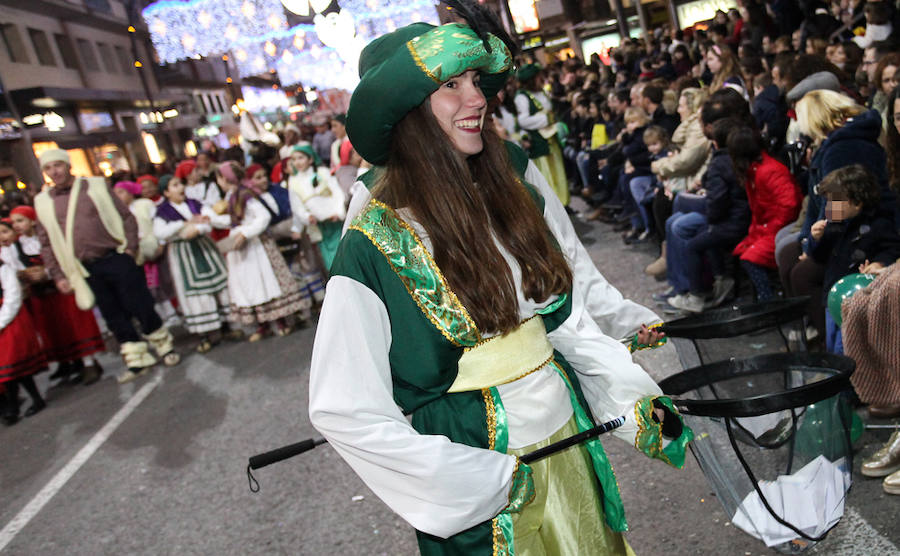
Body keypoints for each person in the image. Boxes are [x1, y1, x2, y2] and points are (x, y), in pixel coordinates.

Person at [309, 20, 692, 556]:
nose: (477, 97)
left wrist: (625, 332)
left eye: (475, 79)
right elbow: (343, 404)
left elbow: (571, 275)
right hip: (481, 460)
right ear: (408, 114)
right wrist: (461, 474)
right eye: (451, 85)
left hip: (566, 431)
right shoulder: (375, 237)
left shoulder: (509, 174)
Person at [33, 149, 180, 384]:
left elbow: (126, 217)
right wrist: (59, 274)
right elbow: (46, 242)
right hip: (83, 268)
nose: (54, 172)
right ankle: (137, 358)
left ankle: (164, 347)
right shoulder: (42, 202)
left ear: (68, 166)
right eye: (48, 168)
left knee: (140, 304)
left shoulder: (95, 186)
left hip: (116, 257)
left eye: (57, 165)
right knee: (113, 315)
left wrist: (130, 249)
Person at [8, 205, 106, 385]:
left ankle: (89, 363)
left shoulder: (48, 238)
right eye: (14, 222)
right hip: (41, 294)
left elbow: (63, 258)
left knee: (77, 325)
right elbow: (14, 267)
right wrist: (26, 274)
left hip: (61, 288)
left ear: (32, 221)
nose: (16, 226)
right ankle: (70, 363)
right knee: (56, 330)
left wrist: (47, 272)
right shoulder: (16, 246)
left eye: (20, 221)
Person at [210, 161, 307, 342]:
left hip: (256, 247)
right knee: (251, 286)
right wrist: (211, 220)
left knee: (266, 282)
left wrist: (245, 233)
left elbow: (263, 216)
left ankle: (279, 321)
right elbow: (235, 220)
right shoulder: (233, 195)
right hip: (244, 248)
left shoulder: (245, 194)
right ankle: (262, 324)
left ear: (225, 178)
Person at [809, 165, 900, 353]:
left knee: (849, 348)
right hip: (832, 294)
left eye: (834, 202)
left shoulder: (879, 224)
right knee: (832, 343)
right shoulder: (834, 224)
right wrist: (816, 240)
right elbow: (819, 257)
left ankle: (847, 381)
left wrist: (880, 263)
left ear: (856, 203)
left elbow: (892, 248)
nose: (828, 208)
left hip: (858, 298)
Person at [153, 174, 238, 353]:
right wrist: (184, 225)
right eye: (174, 185)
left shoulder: (194, 204)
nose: (180, 188)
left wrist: (197, 227)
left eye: (180, 184)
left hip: (204, 248)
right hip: (184, 255)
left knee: (219, 285)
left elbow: (209, 220)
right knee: (193, 292)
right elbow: (160, 233)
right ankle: (204, 334)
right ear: (166, 192)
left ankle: (226, 326)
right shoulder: (163, 212)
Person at [727, 127, 802, 301]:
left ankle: (767, 300)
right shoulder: (754, 172)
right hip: (768, 227)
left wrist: (767, 230)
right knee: (741, 252)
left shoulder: (768, 171)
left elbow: (789, 206)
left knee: (751, 257)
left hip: (779, 227)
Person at [0, 241, 47, 425]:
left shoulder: (2, 267)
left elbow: (13, 293)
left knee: (12, 363)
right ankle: (17, 404)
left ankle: (23, 403)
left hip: (9, 319)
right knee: (6, 366)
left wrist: (2, 319)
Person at [515, 64, 570, 206]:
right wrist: (546, 119)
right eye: (539, 77)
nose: (542, 79)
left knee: (559, 172)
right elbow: (523, 120)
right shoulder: (522, 97)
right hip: (539, 144)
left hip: (552, 140)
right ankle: (553, 205)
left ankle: (564, 202)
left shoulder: (542, 92)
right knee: (547, 175)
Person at [284, 145, 345, 271]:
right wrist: (307, 217)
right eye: (294, 159)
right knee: (333, 262)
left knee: (347, 252)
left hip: (336, 222)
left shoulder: (322, 172)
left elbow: (337, 193)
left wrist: (339, 212)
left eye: (301, 158)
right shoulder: (294, 181)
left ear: (310, 159)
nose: (297, 162)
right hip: (320, 227)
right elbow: (297, 207)